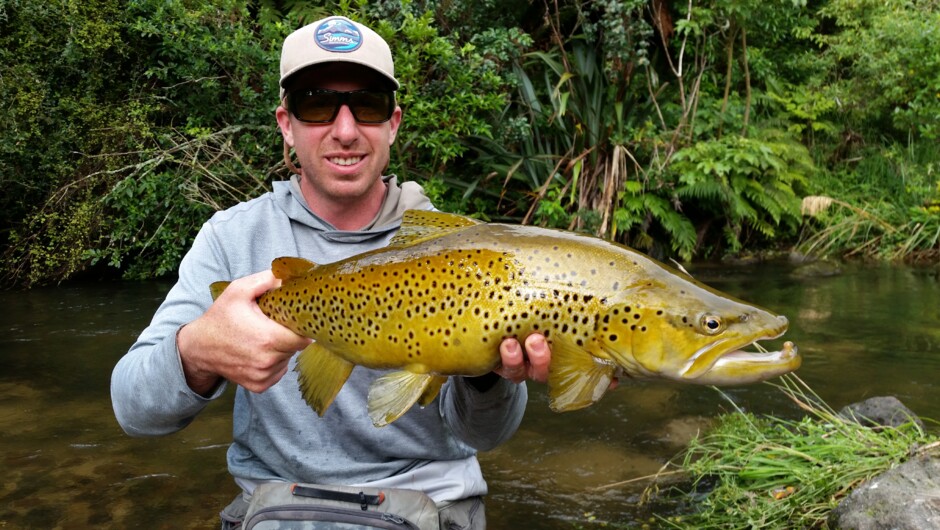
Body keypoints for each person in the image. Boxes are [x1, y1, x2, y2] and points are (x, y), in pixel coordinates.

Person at [110, 15, 551, 529]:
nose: (345, 130)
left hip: (432, 508)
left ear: (393, 123)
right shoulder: (231, 238)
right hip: (278, 507)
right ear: (286, 124)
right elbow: (133, 410)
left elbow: (485, 437)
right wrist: (197, 352)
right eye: (317, 104)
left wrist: (484, 375)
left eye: (366, 105)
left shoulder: (465, 249)